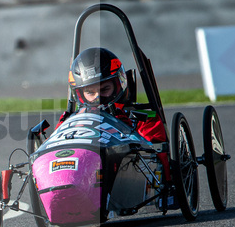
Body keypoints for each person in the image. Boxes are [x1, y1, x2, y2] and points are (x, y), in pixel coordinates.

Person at [58, 47, 171, 179]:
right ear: (80, 93)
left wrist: (127, 131)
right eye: (90, 92)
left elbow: (158, 161)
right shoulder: (69, 121)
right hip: (80, 177)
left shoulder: (142, 120)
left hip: (130, 179)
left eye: (105, 89)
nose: (98, 98)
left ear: (119, 84)